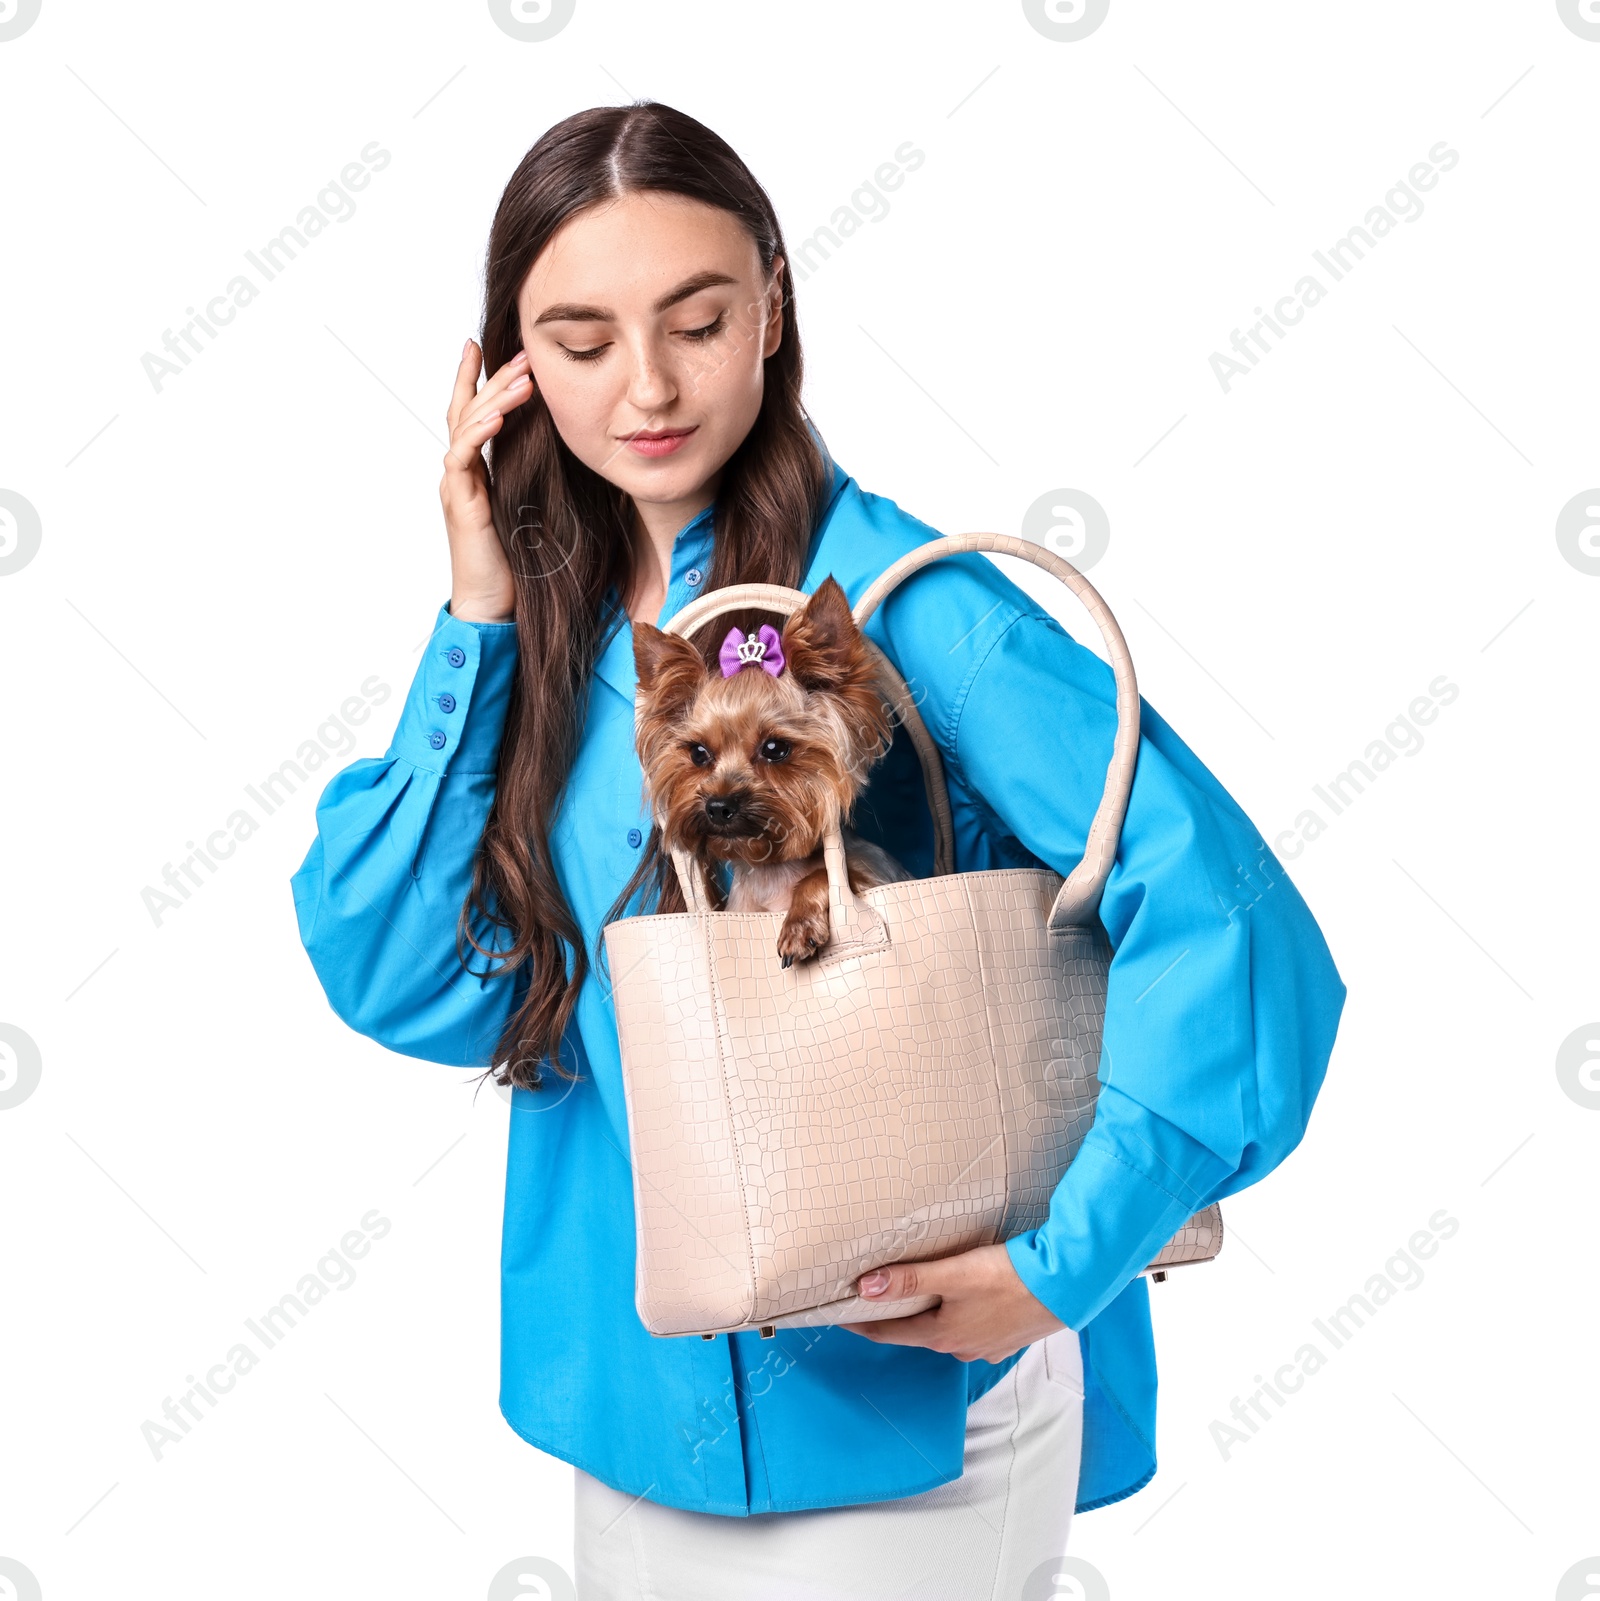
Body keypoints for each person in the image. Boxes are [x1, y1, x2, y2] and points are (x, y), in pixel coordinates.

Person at [289, 101, 1346, 1599]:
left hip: (909, 1406)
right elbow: (401, 971)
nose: (645, 387)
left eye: (699, 320)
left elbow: (1232, 920)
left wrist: (1062, 1260)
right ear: (509, 365)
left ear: (774, 306)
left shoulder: (915, 612)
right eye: (582, 343)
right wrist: (474, 612)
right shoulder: (548, 644)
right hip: (632, 1401)